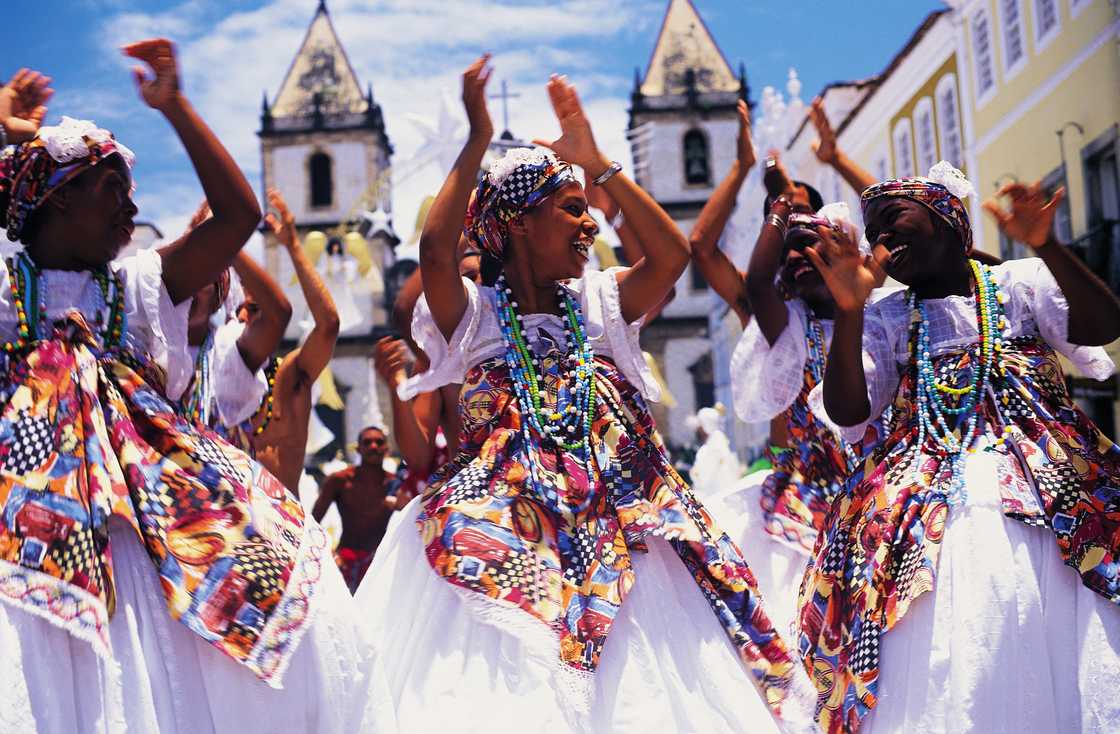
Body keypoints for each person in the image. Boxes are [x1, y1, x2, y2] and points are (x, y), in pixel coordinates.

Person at [355, 56, 815, 733]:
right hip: (505, 534)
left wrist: (597, 166)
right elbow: (432, 253)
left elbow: (671, 257)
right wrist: (477, 137)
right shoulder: (476, 320)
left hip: (621, 526)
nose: (590, 225)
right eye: (571, 211)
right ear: (516, 222)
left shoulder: (598, 305)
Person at [0, 44, 390, 733]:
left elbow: (238, 217)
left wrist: (175, 106)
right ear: (55, 202)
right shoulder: (8, 299)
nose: (132, 205)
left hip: (141, 528)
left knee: (157, 680)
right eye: (110, 189)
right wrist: (11, 138)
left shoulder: (139, 285)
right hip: (28, 525)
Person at [798, 161, 1120, 732]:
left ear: (949, 220)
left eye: (894, 219)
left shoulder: (1018, 285)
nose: (881, 238)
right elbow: (849, 410)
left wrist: (1048, 245)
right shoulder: (887, 319)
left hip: (1054, 487)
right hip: (931, 496)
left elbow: (1102, 325)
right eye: (873, 232)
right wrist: (849, 314)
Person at [183, 200, 292, 452]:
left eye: (202, 279)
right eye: (184, 275)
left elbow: (278, 314)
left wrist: (223, 239)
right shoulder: (146, 343)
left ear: (218, 298)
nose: (189, 289)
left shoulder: (227, 350)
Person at [251, 188, 340, 494]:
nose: (248, 319)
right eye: (242, 310)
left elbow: (328, 325)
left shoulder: (286, 379)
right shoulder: (208, 384)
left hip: (285, 529)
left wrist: (293, 248)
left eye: (257, 311)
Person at [313, 426, 393, 593]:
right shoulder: (339, 481)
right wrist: (324, 557)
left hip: (377, 560)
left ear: (386, 449)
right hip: (345, 556)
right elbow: (313, 521)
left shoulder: (394, 484)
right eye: (367, 442)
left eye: (379, 442)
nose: (373, 446)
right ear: (358, 449)